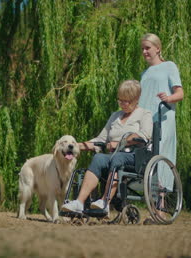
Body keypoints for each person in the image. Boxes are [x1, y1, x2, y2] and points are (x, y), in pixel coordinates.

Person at [61, 80, 152, 214]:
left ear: (136, 99)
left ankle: (104, 202)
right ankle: (79, 203)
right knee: (98, 158)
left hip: (135, 156)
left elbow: (144, 135)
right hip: (114, 156)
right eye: (120, 100)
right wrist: (77, 146)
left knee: (118, 158)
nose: (122, 104)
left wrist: (121, 142)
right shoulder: (115, 116)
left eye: (126, 101)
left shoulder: (145, 114)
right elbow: (101, 139)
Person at [139, 33, 184, 223]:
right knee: (145, 160)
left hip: (163, 118)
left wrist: (168, 98)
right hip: (145, 121)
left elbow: (180, 93)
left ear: (158, 48)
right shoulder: (144, 73)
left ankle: (161, 211)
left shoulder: (169, 66)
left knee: (160, 159)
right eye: (142, 48)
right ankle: (149, 206)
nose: (144, 52)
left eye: (148, 48)